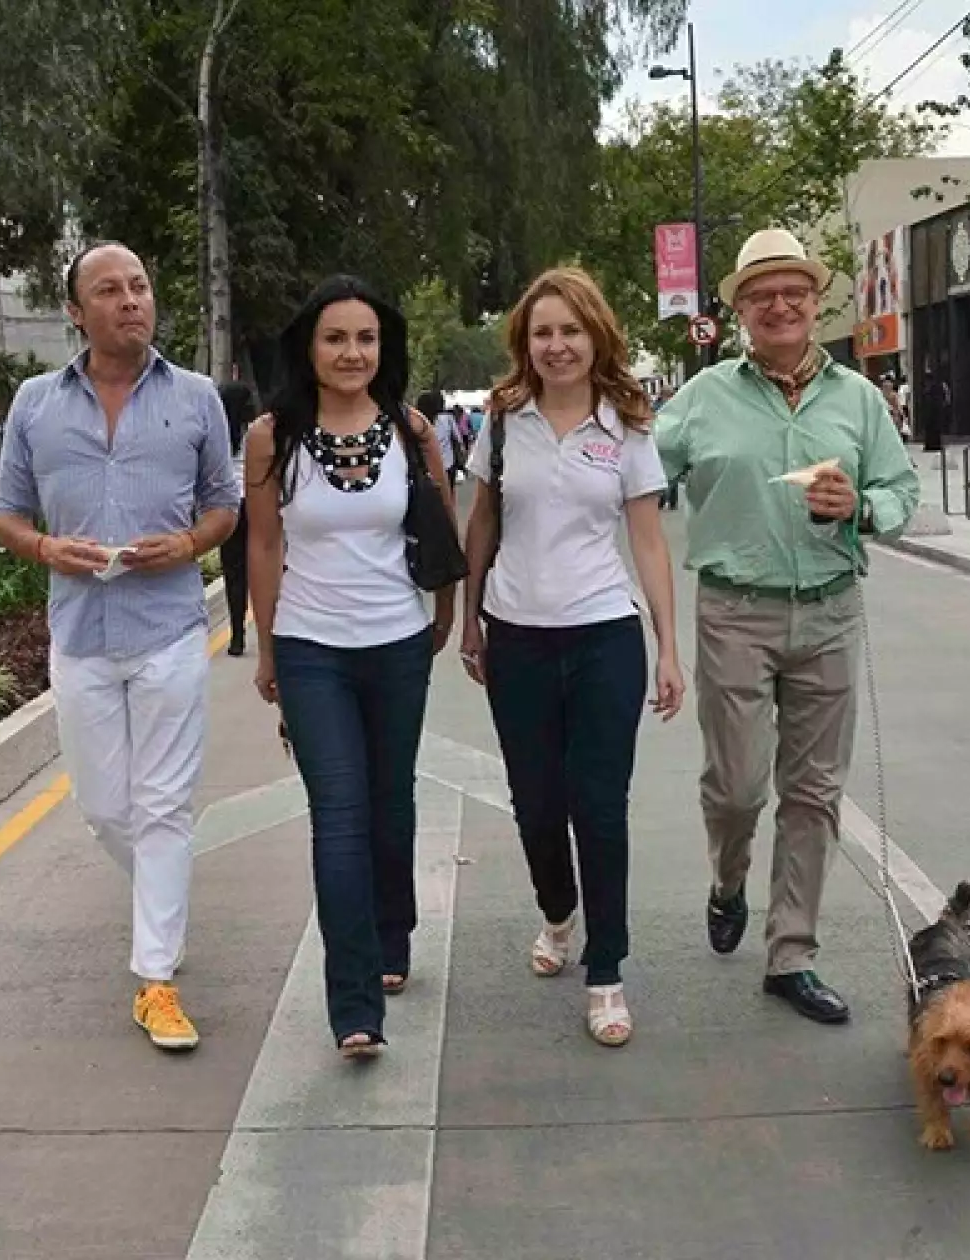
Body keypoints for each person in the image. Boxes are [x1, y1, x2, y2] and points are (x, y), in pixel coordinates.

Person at [655, 228, 920, 1025]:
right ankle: (728, 879)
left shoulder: (859, 400)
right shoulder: (701, 399)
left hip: (833, 609)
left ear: (814, 302)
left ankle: (791, 953)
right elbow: (634, 474)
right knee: (737, 789)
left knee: (813, 793)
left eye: (793, 292)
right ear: (739, 310)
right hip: (735, 610)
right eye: (761, 294)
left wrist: (865, 507)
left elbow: (902, 495)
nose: (779, 305)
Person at [0, 241, 239, 1052]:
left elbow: (225, 505)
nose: (132, 300)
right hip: (80, 634)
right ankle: (160, 911)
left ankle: (155, 979)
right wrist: (44, 549)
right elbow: (4, 514)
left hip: (168, 627)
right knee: (103, 809)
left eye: (140, 285)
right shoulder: (33, 404)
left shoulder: (197, 398)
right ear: (76, 312)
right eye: (110, 290)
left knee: (163, 804)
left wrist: (191, 543)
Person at [459, 267, 685, 1047]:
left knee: (600, 806)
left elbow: (648, 541)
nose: (557, 346)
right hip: (516, 635)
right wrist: (470, 621)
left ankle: (607, 967)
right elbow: (481, 523)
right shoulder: (501, 421)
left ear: (596, 338)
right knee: (536, 805)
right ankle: (558, 911)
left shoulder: (627, 426)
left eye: (571, 331)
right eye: (543, 333)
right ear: (526, 342)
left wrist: (667, 647)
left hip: (602, 637)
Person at [244, 275, 456, 1059]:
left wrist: (444, 616)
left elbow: (438, 527)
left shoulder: (412, 430)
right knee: (339, 815)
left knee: (389, 805)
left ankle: (392, 936)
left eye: (365, 338)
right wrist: (266, 647)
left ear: (383, 347)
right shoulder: (272, 436)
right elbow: (263, 544)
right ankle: (354, 1006)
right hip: (311, 650)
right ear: (309, 346)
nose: (351, 353)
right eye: (335, 338)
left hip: (397, 643)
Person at [218, 379, 257, 656]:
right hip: (257, 505)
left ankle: (237, 636)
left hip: (228, 508)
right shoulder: (257, 431)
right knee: (265, 568)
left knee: (234, 573)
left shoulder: (217, 433)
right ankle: (271, 630)